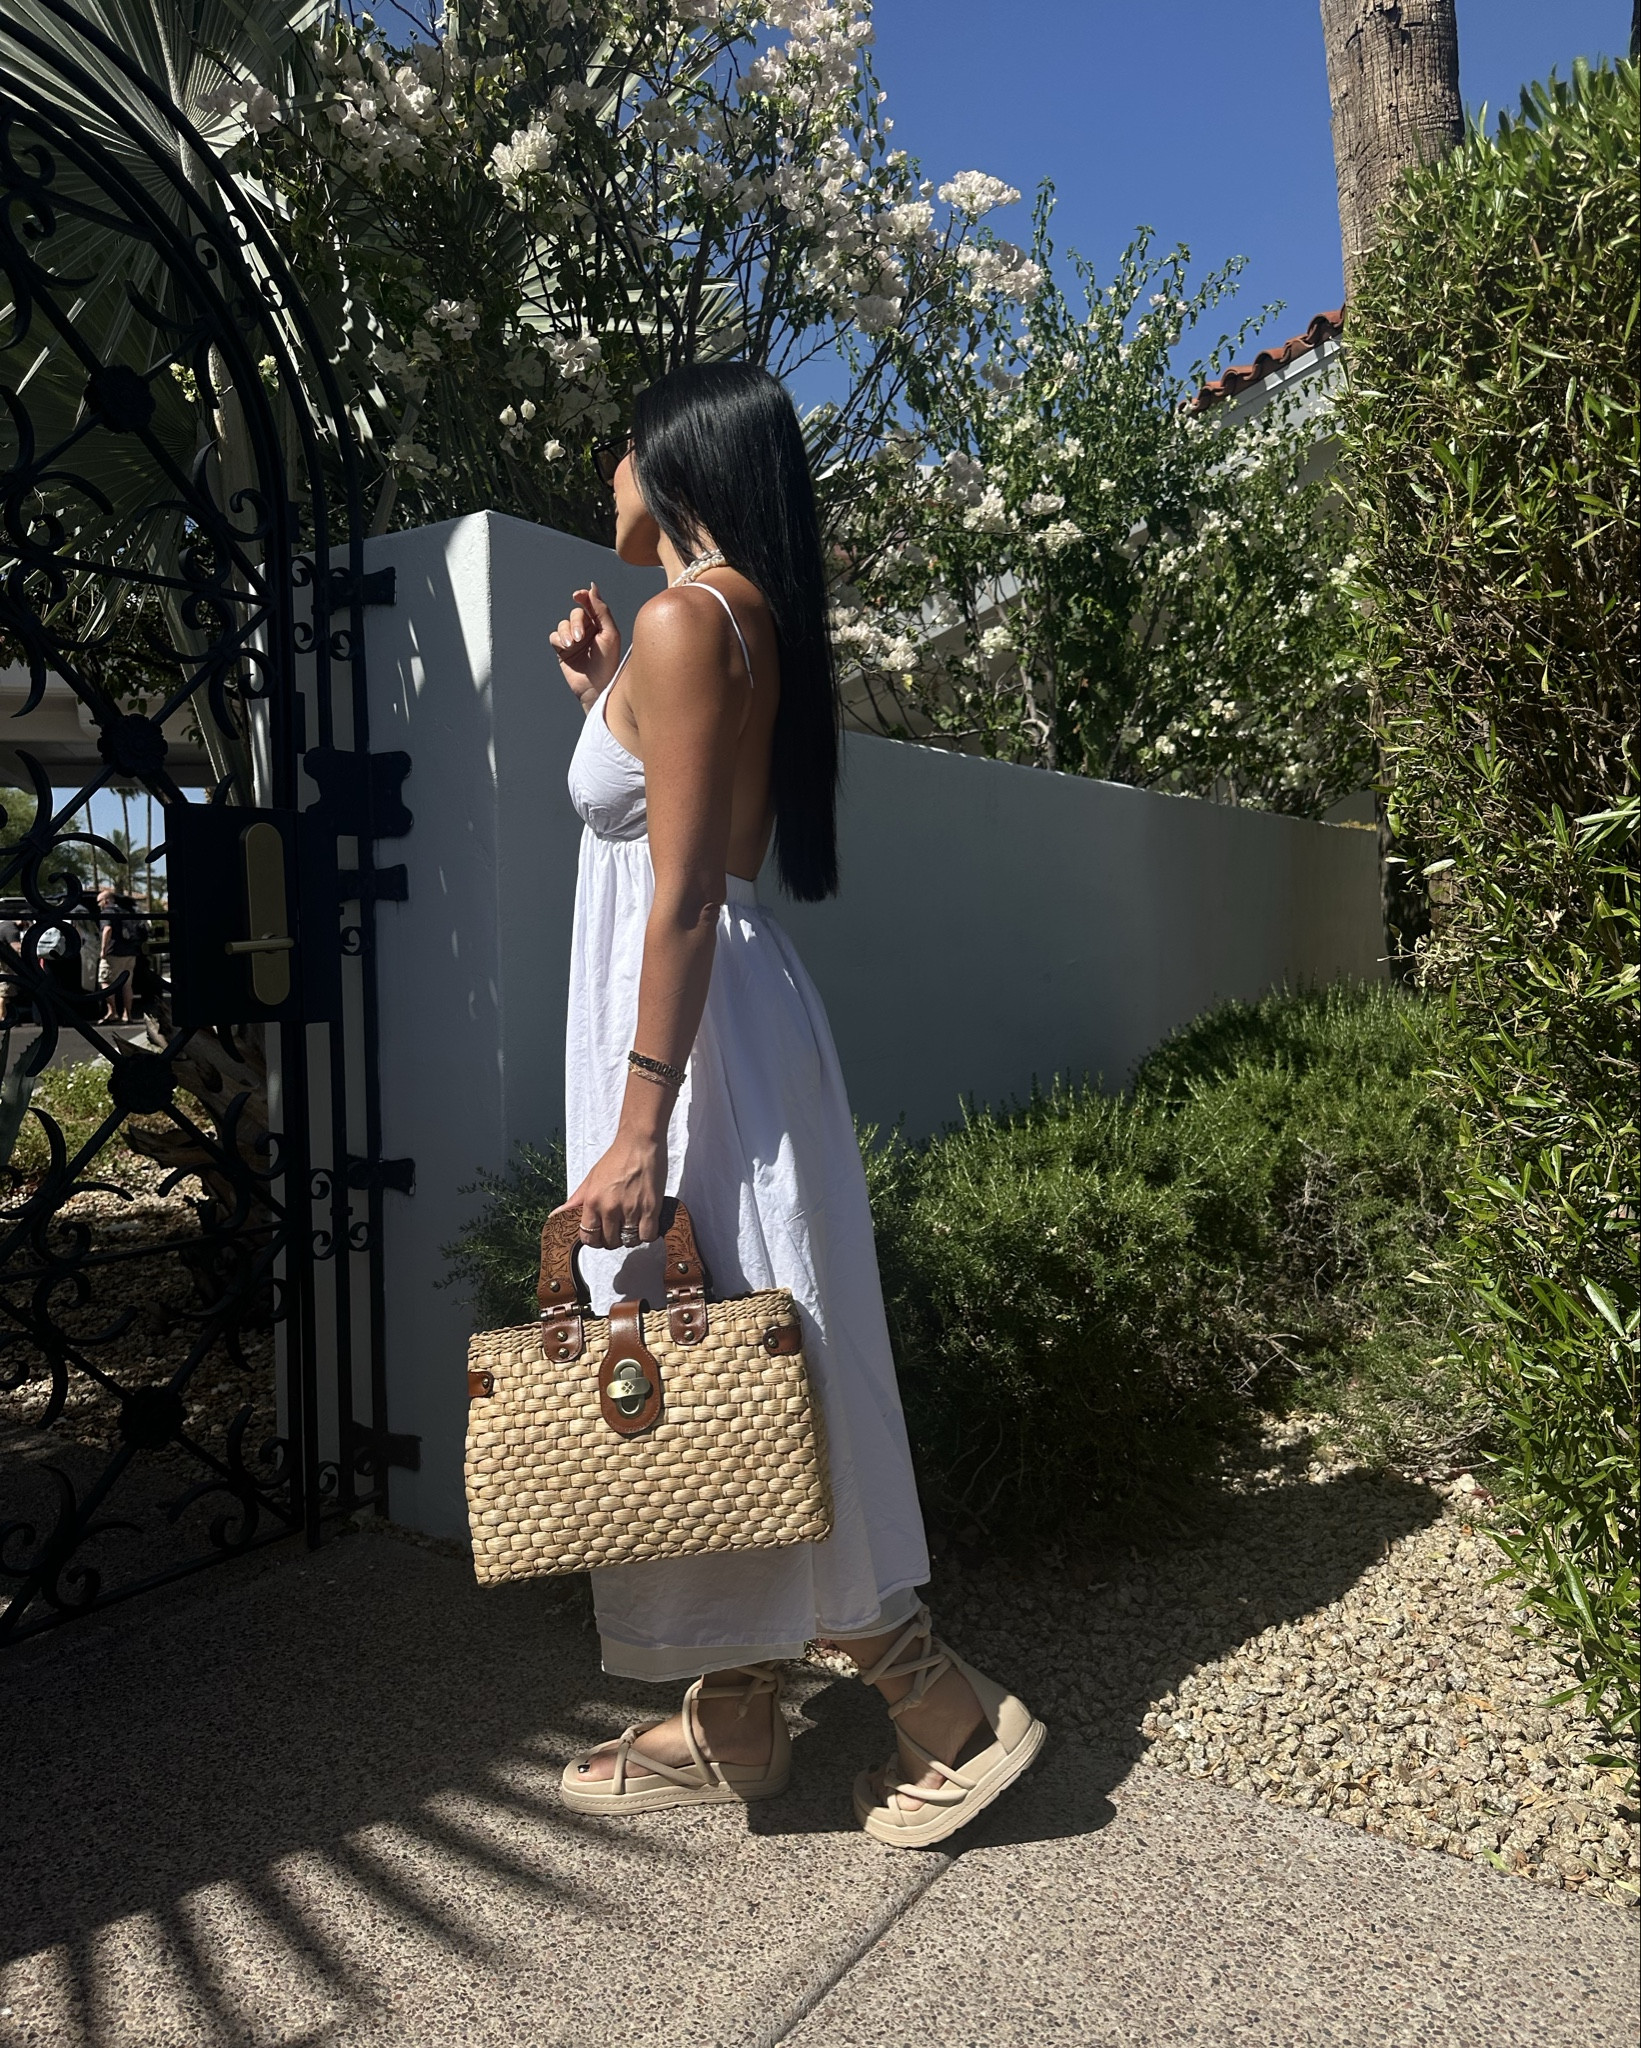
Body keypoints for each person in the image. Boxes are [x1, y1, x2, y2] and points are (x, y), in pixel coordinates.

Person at [545, 362, 1044, 1846]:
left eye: (620, 450)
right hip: (713, 1032)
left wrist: (639, 1126)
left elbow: (683, 891)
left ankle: (941, 1704)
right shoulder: (716, 621)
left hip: (692, 1049)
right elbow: (670, 822)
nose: (606, 473)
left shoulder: (690, 619)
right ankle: (743, 1716)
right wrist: (600, 702)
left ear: (676, 458)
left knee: (760, 1352)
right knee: (734, 1351)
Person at [98, 887, 144, 1022]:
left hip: (114, 953)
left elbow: (107, 929)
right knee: (127, 984)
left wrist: (103, 949)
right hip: (130, 953)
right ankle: (127, 1014)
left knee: (105, 981)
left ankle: (112, 1012)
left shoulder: (107, 912)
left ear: (106, 901)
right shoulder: (126, 912)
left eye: (99, 901)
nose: (98, 905)